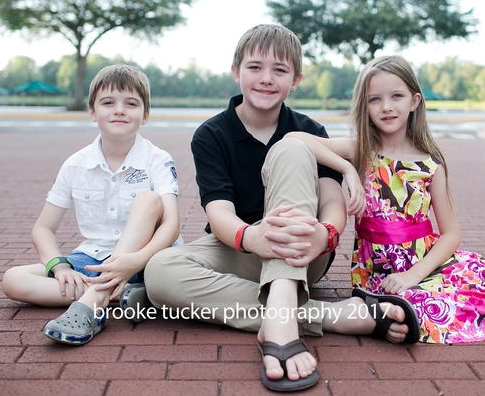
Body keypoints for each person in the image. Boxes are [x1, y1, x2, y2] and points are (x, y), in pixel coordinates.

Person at [144, 25, 419, 393]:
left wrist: (327, 232)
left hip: (307, 247)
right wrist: (252, 236)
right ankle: (328, 315)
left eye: (280, 70)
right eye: (255, 67)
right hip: (240, 244)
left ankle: (283, 315)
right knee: (160, 272)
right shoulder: (212, 134)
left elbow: (331, 201)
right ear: (236, 71)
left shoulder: (306, 129)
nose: (266, 79)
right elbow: (219, 214)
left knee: (290, 148)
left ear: (296, 80)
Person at [287, 55, 485, 344]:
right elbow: (294, 138)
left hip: (423, 262)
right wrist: (347, 168)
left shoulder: (431, 165)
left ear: (414, 100)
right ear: (365, 106)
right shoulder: (362, 151)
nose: (386, 107)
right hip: (378, 270)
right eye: (375, 99)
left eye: (397, 96)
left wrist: (414, 273)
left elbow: (451, 234)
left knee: (477, 278)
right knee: (415, 307)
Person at [2, 64, 181, 345]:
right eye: (108, 102)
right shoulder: (76, 164)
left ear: (145, 115)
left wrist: (131, 261)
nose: (119, 110)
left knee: (149, 199)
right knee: (13, 280)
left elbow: (171, 226)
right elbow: (43, 229)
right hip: (92, 259)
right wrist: (59, 268)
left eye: (131, 103)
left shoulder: (157, 159)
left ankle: (93, 305)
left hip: (148, 258)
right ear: (91, 111)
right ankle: (121, 292)